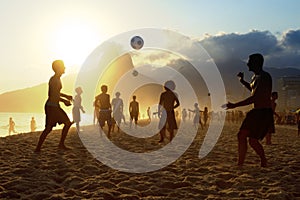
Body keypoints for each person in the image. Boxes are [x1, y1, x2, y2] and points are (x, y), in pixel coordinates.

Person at [224, 53, 273, 167]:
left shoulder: (265, 77)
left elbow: (255, 97)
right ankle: (240, 163)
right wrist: (242, 81)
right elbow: (252, 88)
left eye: (250, 61)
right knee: (242, 136)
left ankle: (263, 160)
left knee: (252, 140)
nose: (247, 63)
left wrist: (234, 105)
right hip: (256, 112)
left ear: (256, 63)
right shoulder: (255, 77)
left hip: (263, 113)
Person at [35, 60, 73, 152]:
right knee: (49, 128)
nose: (65, 68)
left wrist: (66, 96)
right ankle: (38, 148)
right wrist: (64, 101)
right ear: (58, 68)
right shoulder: (54, 79)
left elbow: (57, 93)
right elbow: (52, 95)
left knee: (67, 123)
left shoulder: (57, 79)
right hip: (51, 107)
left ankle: (60, 144)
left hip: (55, 106)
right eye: (63, 66)